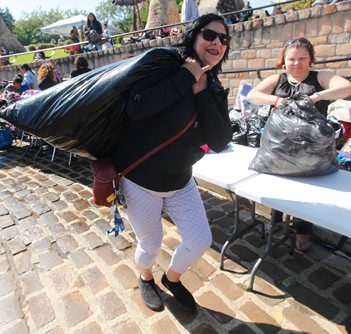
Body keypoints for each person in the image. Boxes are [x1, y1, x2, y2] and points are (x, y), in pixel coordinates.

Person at [112, 13, 232, 313]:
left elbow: (219, 140)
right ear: (193, 36)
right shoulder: (165, 67)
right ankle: (146, 276)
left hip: (181, 182)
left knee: (200, 240)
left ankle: (172, 278)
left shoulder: (214, 89)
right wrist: (184, 77)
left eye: (223, 39)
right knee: (150, 245)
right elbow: (137, 108)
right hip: (141, 181)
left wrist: (201, 88)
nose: (217, 42)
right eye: (209, 34)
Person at [246, 37, 351, 252]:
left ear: (310, 59)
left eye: (302, 58)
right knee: (279, 183)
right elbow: (252, 95)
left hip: (312, 147)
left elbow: (347, 88)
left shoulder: (319, 77)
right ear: (284, 60)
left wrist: (316, 97)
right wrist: (276, 101)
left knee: (308, 189)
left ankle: (303, 230)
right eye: (292, 59)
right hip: (279, 146)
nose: (297, 63)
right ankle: (276, 222)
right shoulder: (278, 79)